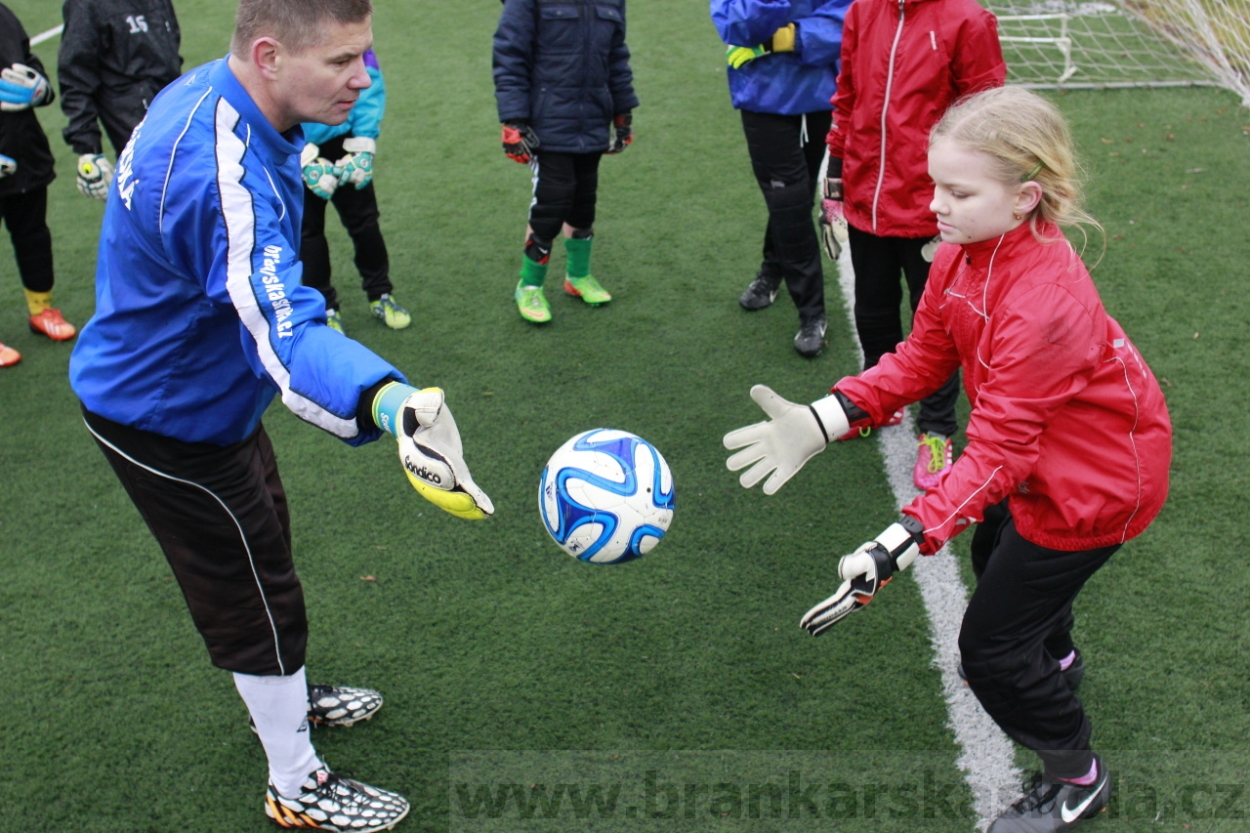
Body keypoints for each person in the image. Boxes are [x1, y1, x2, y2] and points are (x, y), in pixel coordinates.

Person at [68, 1, 494, 829]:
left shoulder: (213, 91)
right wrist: (391, 398)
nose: (363, 79)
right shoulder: (212, 169)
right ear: (269, 55)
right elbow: (287, 326)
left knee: (269, 549)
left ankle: (287, 695)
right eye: (341, 62)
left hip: (207, 392)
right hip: (163, 418)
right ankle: (294, 781)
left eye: (364, 56)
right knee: (253, 593)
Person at [724, 86, 1172, 833]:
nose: (935, 204)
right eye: (936, 183)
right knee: (1001, 555)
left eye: (959, 190)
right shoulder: (962, 257)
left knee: (989, 652)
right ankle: (1055, 659)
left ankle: (1077, 777)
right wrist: (822, 418)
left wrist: (894, 545)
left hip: (1095, 487)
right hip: (1043, 462)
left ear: (1026, 197)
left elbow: (998, 450)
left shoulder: (1045, 303)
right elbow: (922, 358)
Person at [823, 0, 1004, 486]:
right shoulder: (863, 10)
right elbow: (848, 94)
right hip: (867, 197)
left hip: (933, 207)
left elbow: (988, 119)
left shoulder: (968, 19)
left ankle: (937, 430)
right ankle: (873, 404)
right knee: (873, 307)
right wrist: (837, 173)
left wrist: (966, 199)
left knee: (941, 331)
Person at [711, 0, 851, 358]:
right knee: (788, 201)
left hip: (819, 92)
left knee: (796, 198)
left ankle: (772, 272)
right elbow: (736, 25)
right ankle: (812, 313)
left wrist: (791, 37)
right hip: (761, 96)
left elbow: (848, 21)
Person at [492, 0, 638, 324]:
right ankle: (529, 285)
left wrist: (623, 113)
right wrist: (513, 119)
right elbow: (510, 53)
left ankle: (578, 276)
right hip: (548, 122)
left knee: (584, 201)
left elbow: (616, 56)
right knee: (551, 204)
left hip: (593, 119)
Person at [300, 47, 410, 334]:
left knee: (365, 222)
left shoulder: (344, 29)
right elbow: (266, 101)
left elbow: (367, 84)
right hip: (298, 149)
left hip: (344, 143)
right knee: (308, 232)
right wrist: (300, 156)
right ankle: (324, 307)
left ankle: (380, 294)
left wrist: (362, 143)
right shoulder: (280, 32)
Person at [0, 2, 76, 364]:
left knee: (32, 233)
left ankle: (41, 309)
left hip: (22, 150)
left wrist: (39, 86)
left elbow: (25, 58)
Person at [58, 0, 183, 201]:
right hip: (135, 127)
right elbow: (76, 78)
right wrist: (88, 149)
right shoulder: (86, 5)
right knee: (159, 200)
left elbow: (171, 52)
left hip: (175, 112)